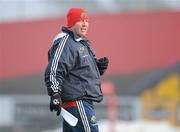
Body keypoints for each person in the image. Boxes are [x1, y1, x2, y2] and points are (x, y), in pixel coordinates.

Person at [44, 7, 109, 132]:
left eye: (87, 21)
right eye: (80, 21)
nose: (85, 24)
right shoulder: (65, 42)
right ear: (72, 23)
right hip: (78, 103)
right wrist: (55, 94)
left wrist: (97, 68)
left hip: (81, 103)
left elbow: (78, 72)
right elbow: (54, 69)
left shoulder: (81, 42)